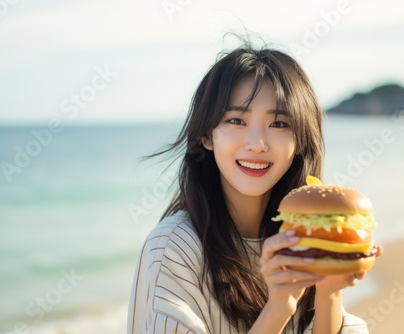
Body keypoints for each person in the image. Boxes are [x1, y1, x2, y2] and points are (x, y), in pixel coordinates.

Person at [128, 43, 374, 333]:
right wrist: (277, 309)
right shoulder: (172, 248)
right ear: (207, 135)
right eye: (236, 120)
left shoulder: (304, 241)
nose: (257, 143)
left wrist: (329, 292)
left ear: (300, 141)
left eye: (279, 123)